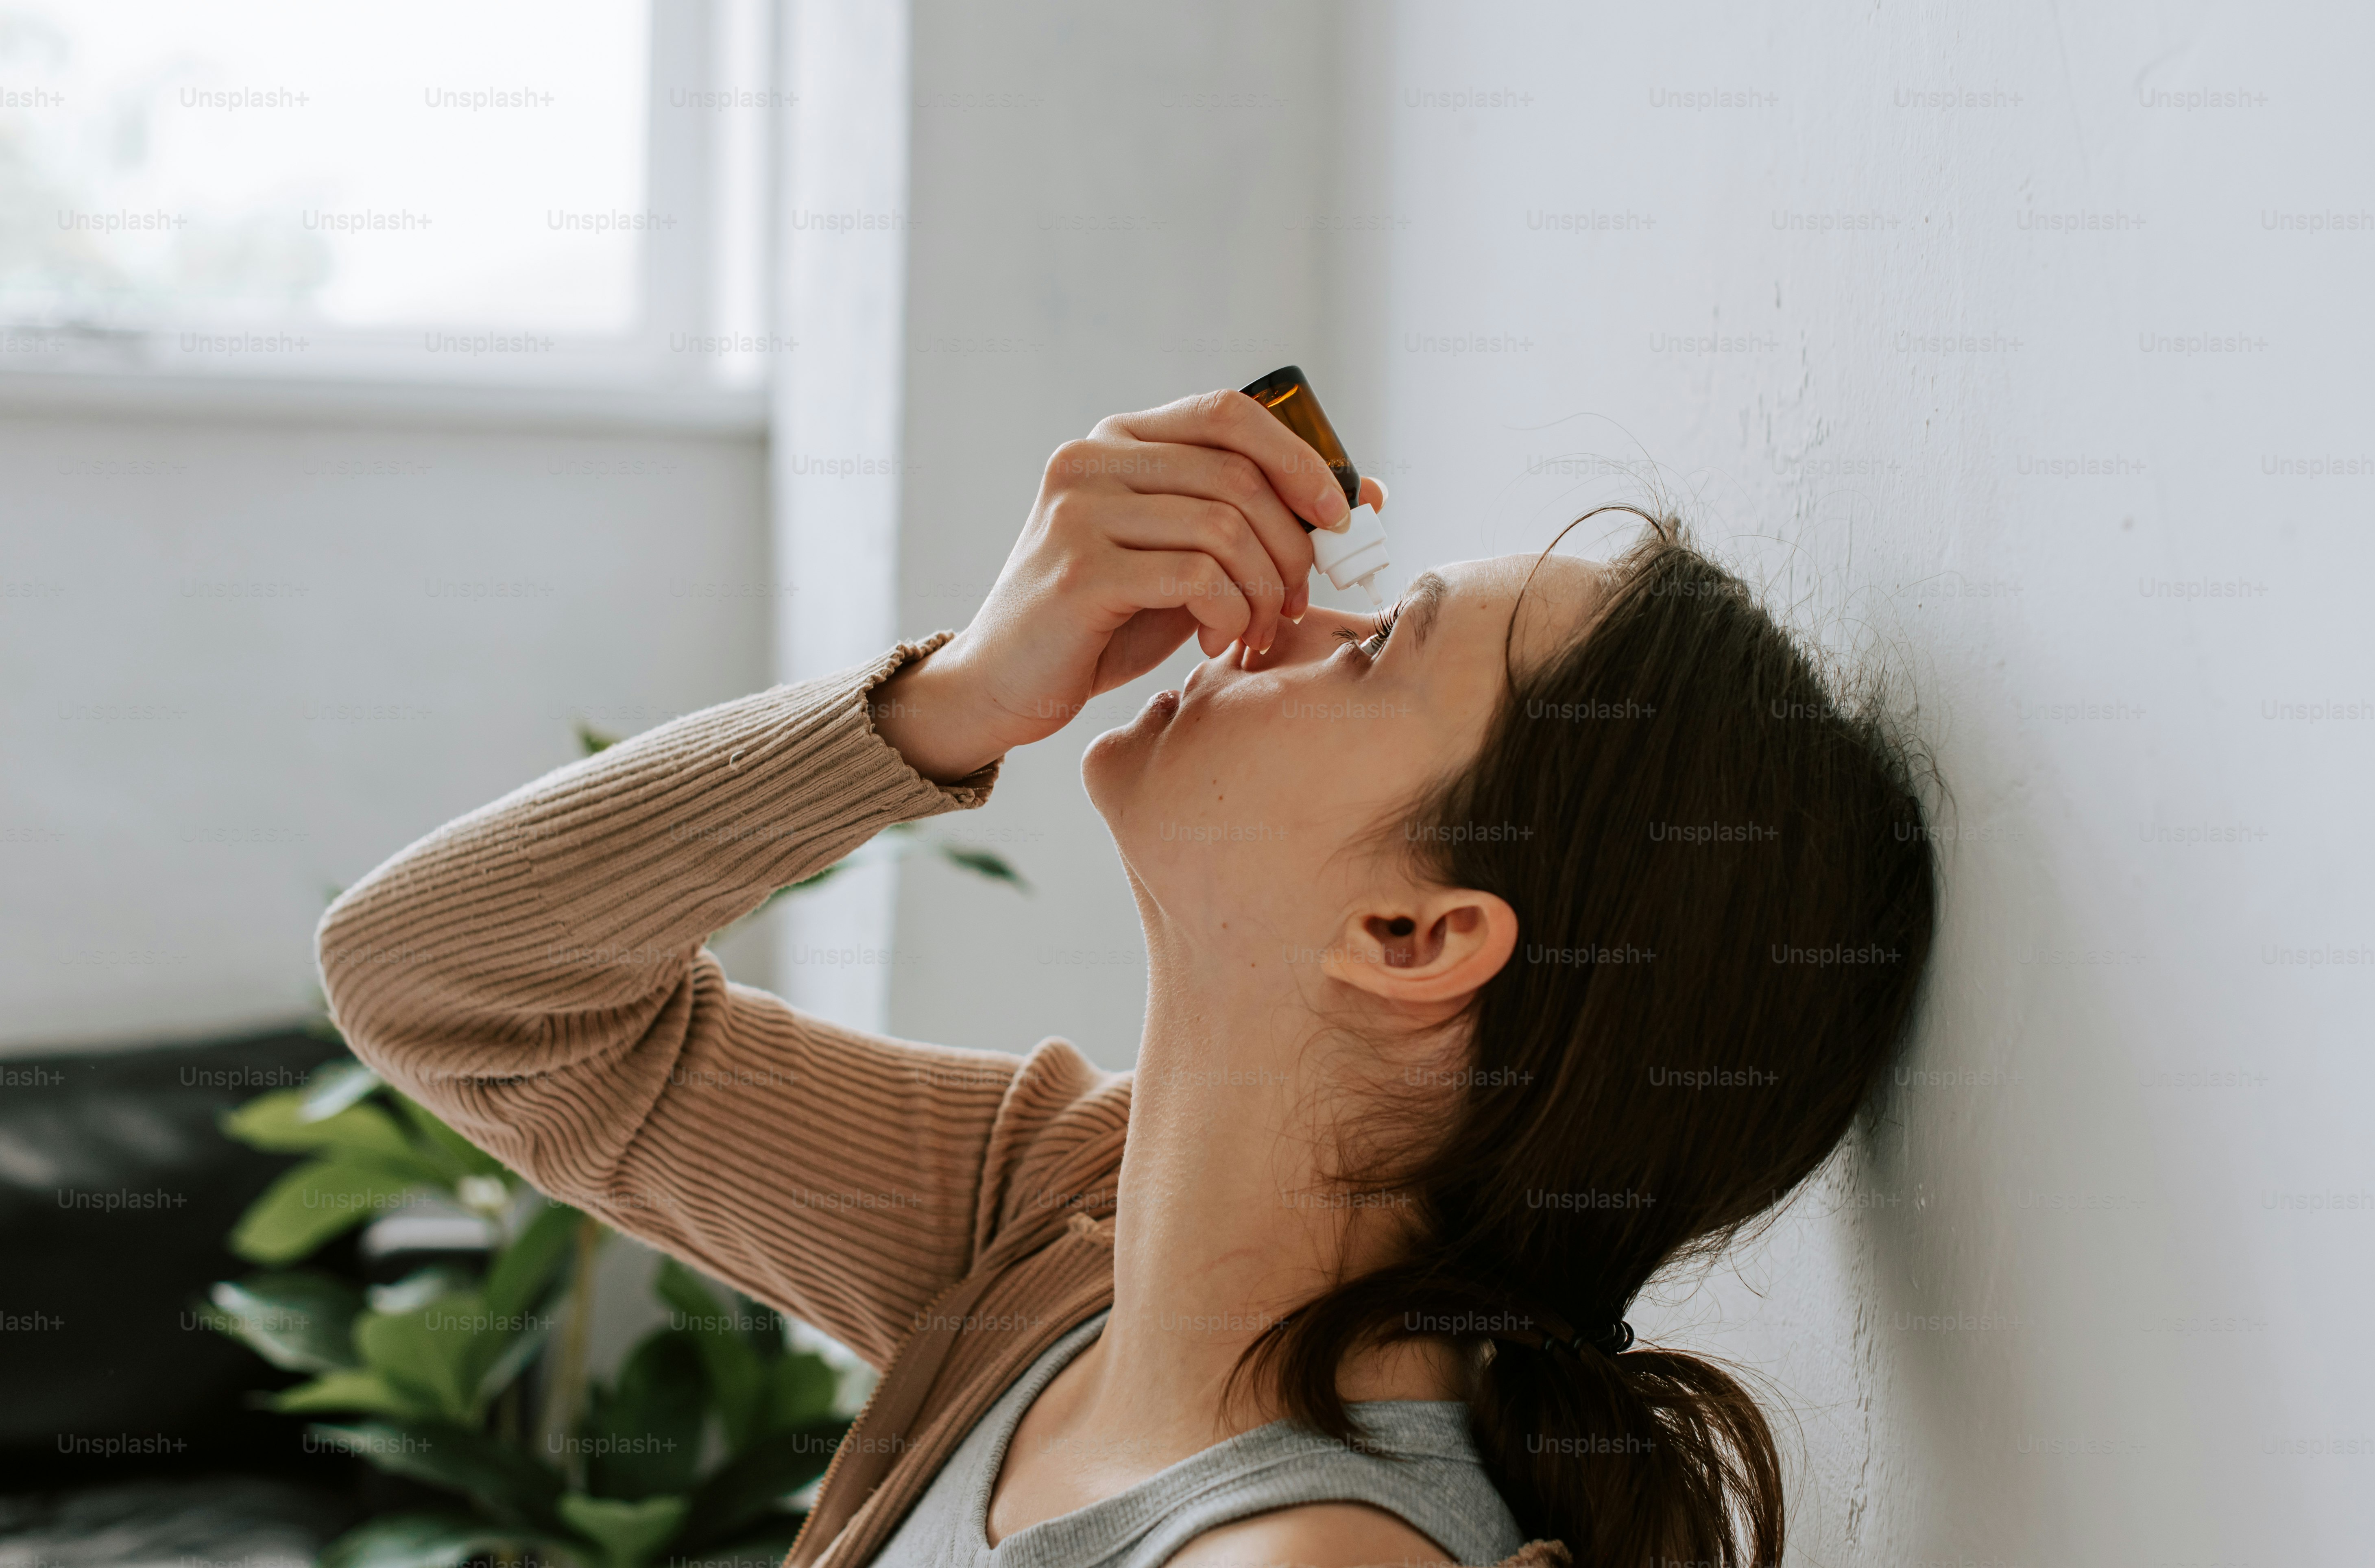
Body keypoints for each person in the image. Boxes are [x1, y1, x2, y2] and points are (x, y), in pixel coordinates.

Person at [319, 388, 1938, 1568]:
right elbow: (446, 979)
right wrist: (944, 701)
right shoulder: (1058, 1218)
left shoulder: (1306, 1559)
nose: (1286, 628)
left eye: (1376, 651)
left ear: (1415, 937)